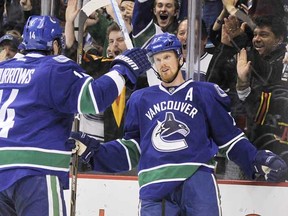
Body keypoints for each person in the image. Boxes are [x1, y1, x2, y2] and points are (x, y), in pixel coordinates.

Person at [68, 33, 288, 216]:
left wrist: (256, 159)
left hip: (197, 180)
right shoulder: (140, 99)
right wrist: (97, 152)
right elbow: (133, 147)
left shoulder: (205, 93)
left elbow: (229, 138)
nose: (163, 64)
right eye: (158, 60)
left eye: (167, 57)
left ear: (180, 57)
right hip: (155, 186)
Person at [0, 15, 150, 215]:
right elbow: (94, 98)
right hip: (35, 171)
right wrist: (123, 69)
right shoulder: (55, 67)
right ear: (54, 45)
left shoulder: (2, 69)